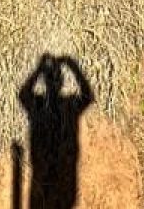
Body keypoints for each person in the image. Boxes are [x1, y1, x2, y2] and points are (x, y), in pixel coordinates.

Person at [16, 54, 94, 209]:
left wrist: (39, 69)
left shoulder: (44, 105)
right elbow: (87, 96)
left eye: (54, 79)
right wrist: (72, 65)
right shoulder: (63, 105)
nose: (54, 83)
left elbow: (24, 95)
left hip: (55, 175)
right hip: (54, 175)